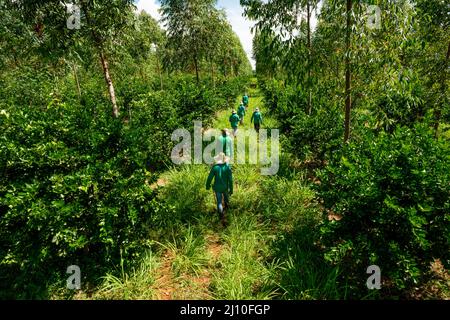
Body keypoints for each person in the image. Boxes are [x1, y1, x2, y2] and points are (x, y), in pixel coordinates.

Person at [206, 152, 233, 225]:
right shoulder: (227, 168)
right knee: (226, 198)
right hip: (225, 187)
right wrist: (231, 189)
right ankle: (227, 208)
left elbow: (209, 178)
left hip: (217, 188)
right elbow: (230, 180)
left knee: (219, 202)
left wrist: (207, 186)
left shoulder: (215, 168)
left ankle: (221, 215)